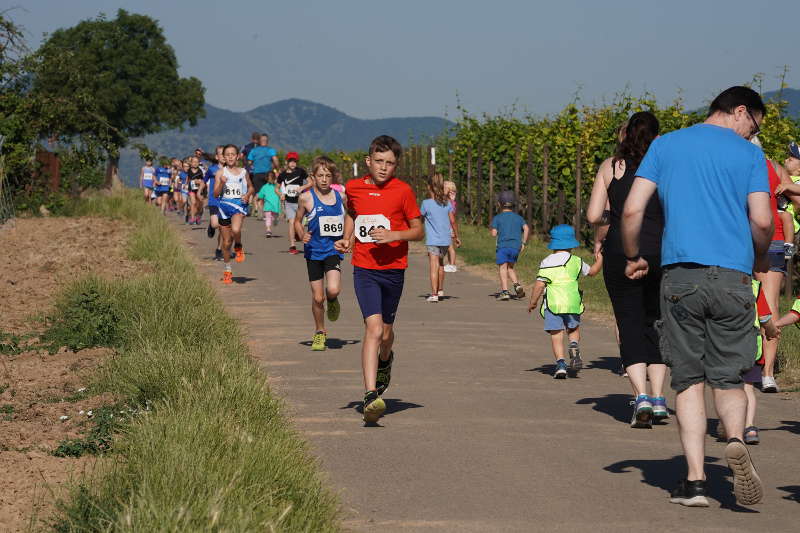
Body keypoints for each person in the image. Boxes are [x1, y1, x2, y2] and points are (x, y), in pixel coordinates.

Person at [621, 86, 772, 507]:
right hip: (733, 278)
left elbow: (633, 210)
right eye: (753, 125)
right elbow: (762, 220)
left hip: (681, 276)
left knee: (688, 380)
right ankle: (737, 439)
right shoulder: (749, 156)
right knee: (728, 375)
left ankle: (695, 483)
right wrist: (758, 256)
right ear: (740, 111)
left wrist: (632, 255)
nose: (751, 133)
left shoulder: (666, 145)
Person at [586, 111, 668, 429]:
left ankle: (642, 397)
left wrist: (615, 221)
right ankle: (660, 398)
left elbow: (595, 215)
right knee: (658, 322)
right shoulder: (666, 166)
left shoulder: (611, 166)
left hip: (622, 250)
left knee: (628, 320)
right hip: (661, 250)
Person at [334, 135, 424, 424]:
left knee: (386, 333)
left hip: (394, 269)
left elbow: (418, 230)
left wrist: (394, 235)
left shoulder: (403, 191)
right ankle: (370, 395)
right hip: (365, 269)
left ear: (396, 165)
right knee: (372, 329)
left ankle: (387, 358)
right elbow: (352, 212)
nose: (384, 168)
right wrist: (346, 238)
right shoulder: (354, 187)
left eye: (390, 163)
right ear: (368, 161)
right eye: (379, 162)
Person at [748, 136, 796, 393]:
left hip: (738, 240)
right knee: (770, 304)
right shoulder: (775, 167)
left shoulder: (731, 164)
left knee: (740, 303)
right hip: (775, 238)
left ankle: (745, 365)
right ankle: (767, 373)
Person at [527, 224, 602, 378]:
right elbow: (592, 272)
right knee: (573, 329)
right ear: (571, 243)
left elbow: (539, 285)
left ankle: (561, 364)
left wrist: (533, 302)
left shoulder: (546, 262)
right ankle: (574, 346)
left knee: (556, 334)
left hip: (553, 304)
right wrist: (600, 260)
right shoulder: (576, 260)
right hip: (573, 302)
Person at [295, 156, 346, 351]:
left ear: (333, 177)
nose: (324, 179)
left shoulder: (341, 197)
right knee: (318, 298)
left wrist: (348, 238)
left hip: (332, 251)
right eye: (320, 175)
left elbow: (351, 217)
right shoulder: (306, 197)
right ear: (313, 177)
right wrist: (301, 234)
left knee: (332, 290)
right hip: (313, 252)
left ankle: (333, 300)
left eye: (328, 175)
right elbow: (297, 221)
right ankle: (319, 332)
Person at [213, 144, 254, 284]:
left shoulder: (243, 172)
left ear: (237, 156)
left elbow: (251, 187)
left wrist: (247, 194)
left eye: (233, 154)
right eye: (227, 154)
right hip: (224, 207)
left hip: (238, 206)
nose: (230, 156)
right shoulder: (220, 173)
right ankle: (227, 270)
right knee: (225, 243)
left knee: (236, 229)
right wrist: (221, 184)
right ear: (224, 157)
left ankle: (239, 245)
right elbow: (215, 194)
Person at [420, 174, 460, 302]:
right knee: (441, 264)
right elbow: (453, 221)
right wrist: (457, 236)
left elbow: (419, 218)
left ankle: (434, 294)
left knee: (433, 266)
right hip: (445, 240)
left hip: (433, 240)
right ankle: (440, 290)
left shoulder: (426, 203)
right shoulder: (447, 203)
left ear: (429, 187)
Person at [490, 191, 529, 300]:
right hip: (515, 247)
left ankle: (505, 292)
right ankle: (517, 285)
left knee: (503, 268)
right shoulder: (519, 218)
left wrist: (494, 230)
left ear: (499, 204)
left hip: (503, 246)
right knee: (510, 268)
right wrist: (523, 243)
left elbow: (493, 234)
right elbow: (526, 228)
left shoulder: (497, 218)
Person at [277, 152, 310, 254]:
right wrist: (281, 194)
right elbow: (276, 188)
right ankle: (292, 245)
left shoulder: (301, 172)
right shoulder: (282, 175)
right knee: (291, 222)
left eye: (295, 161)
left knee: (300, 223)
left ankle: (304, 241)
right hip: (289, 202)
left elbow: (311, 182)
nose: (293, 163)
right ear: (287, 162)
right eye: (291, 161)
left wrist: (302, 187)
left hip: (301, 203)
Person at [247, 133, 280, 218]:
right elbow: (275, 160)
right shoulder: (270, 150)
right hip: (268, 174)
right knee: (267, 192)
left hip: (257, 174)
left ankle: (258, 209)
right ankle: (265, 210)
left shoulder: (254, 151)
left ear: (259, 141)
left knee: (258, 192)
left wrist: (253, 166)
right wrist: (277, 168)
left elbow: (249, 162)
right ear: (267, 142)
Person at [205, 146, 225, 260]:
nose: (224, 156)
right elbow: (204, 180)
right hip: (214, 200)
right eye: (221, 154)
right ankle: (211, 226)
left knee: (223, 227)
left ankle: (219, 250)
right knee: (215, 224)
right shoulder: (212, 169)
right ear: (217, 157)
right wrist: (200, 190)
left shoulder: (231, 170)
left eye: (225, 154)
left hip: (226, 202)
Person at [256, 171, 281, 237]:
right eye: (269, 178)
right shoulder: (264, 187)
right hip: (267, 205)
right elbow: (260, 195)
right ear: (266, 178)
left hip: (276, 205)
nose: (270, 179)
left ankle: (275, 220)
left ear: (274, 178)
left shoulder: (277, 187)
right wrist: (258, 198)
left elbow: (280, 194)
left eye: (272, 178)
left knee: (275, 217)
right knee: (268, 218)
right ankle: (268, 230)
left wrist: (282, 197)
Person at [443, 180, 459, 272]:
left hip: (449, 227)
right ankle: (450, 263)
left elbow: (452, 215)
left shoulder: (450, 203)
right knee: (449, 247)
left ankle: (452, 264)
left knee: (450, 247)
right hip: (447, 226)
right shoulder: (449, 201)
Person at [187, 155, 206, 225]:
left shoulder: (200, 171)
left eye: (196, 162)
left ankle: (198, 216)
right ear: (191, 163)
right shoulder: (189, 170)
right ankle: (192, 218)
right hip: (191, 189)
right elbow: (188, 178)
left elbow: (203, 180)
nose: (195, 163)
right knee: (193, 203)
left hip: (199, 190)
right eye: (193, 162)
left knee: (199, 204)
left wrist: (199, 181)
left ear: (199, 163)